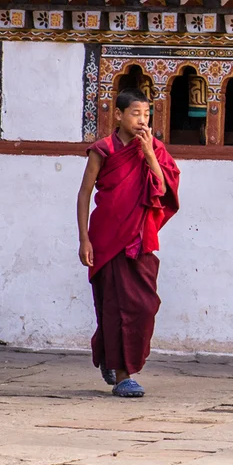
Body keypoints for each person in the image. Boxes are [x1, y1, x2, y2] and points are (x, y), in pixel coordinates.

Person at [76, 88, 180, 398]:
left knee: (143, 305)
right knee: (114, 306)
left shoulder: (155, 149)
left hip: (139, 237)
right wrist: (84, 239)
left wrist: (149, 154)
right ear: (118, 115)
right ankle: (124, 375)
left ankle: (111, 357)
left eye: (147, 115)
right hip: (107, 237)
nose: (142, 120)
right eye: (136, 114)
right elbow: (84, 193)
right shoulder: (103, 149)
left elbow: (163, 189)